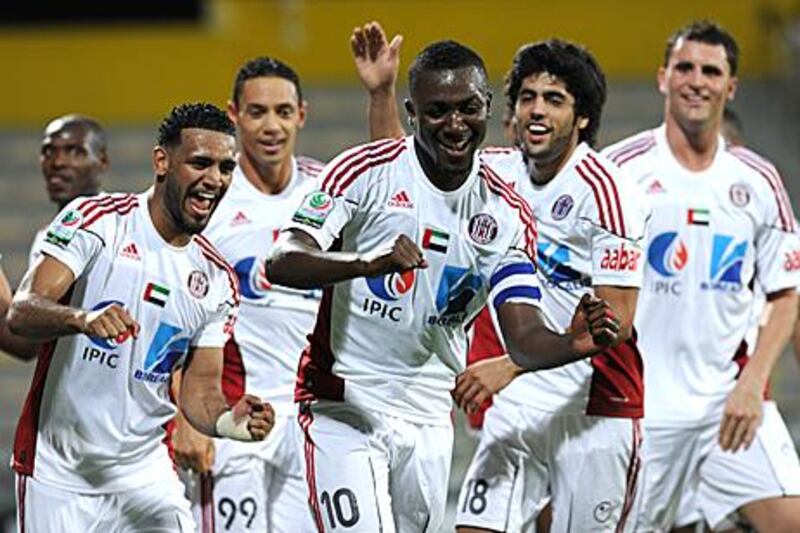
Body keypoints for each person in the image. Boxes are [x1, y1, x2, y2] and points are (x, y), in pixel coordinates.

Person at [267, 39, 623, 532]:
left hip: (431, 414)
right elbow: (283, 259)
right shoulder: (361, 172)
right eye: (438, 111)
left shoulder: (505, 213)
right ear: (413, 113)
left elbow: (522, 336)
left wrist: (572, 341)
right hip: (343, 401)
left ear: (487, 109)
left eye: (468, 109)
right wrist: (367, 263)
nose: (455, 124)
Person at [7, 102, 275, 532]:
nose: (215, 180)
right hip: (60, 472)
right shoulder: (97, 221)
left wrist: (229, 422)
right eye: (201, 163)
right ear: (161, 161)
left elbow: (200, 390)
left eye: (226, 167)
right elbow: (21, 312)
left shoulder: (217, 279)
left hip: (144, 473)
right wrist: (80, 318)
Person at [603, 21, 800, 531]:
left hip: (728, 405)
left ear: (730, 86)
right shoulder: (618, 173)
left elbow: (785, 292)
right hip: (642, 413)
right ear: (662, 78)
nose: (697, 80)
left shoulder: (758, 181)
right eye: (685, 68)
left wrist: (754, 382)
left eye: (711, 71)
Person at [171, 57, 320, 533]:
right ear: (233, 115)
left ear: (301, 114)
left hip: (309, 419)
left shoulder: (327, 194)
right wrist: (187, 414)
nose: (271, 126)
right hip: (231, 415)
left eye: (282, 111)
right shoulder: (207, 203)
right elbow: (175, 314)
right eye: (257, 112)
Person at [0, 115, 110, 361]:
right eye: (49, 151)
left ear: (102, 161)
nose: (58, 162)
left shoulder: (119, 226)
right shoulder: (46, 237)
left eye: (74, 151)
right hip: (64, 393)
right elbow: (31, 345)